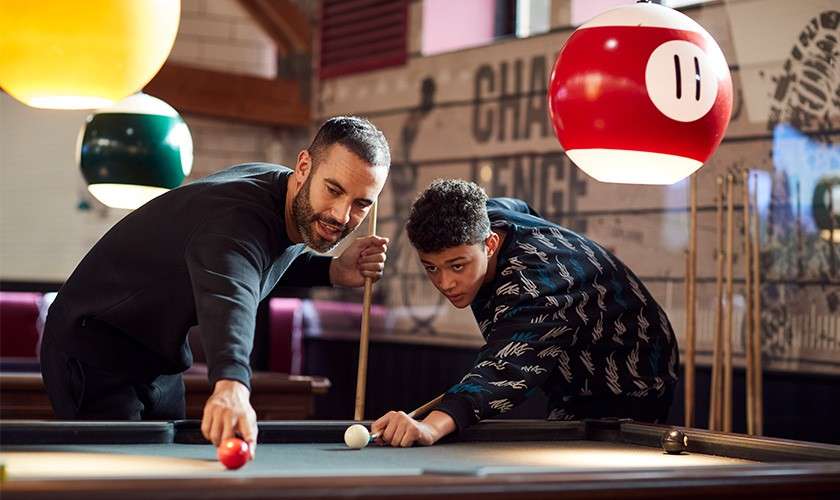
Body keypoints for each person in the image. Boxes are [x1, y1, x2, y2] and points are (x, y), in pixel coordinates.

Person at [41, 116, 391, 459]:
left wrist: (332, 270)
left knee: (167, 470)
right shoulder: (236, 222)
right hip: (92, 346)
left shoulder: (286, 199)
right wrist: (232, 385)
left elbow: (260, 258)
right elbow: (230, 294)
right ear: (304, 167)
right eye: (334, 190)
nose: (342, 215)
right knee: (121, 481)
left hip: (156, 355)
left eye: (361, 203)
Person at [372, 179, 678, 447]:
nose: (445, 283)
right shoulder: (484, 217)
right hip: (570, 373)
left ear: (490, 244)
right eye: (431, 268)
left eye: (457, 265)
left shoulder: (538, 283)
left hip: (633, 372)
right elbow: (519, 207)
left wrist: (429, 426)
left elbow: (504, 368)